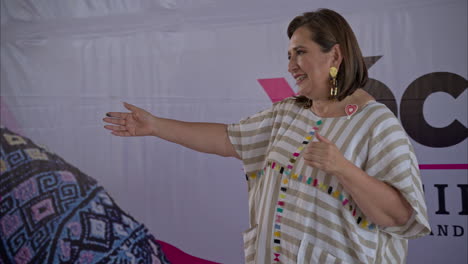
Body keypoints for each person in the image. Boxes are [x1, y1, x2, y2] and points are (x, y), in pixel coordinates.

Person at [103, 8, 430, 264]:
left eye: (300, 52)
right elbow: (227, 140)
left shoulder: (376, 125)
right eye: (289, 55)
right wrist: (156, 126)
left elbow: (401, 217)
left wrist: (343, 168)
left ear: (334, 56)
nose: (291, 65)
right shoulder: (287, 113)